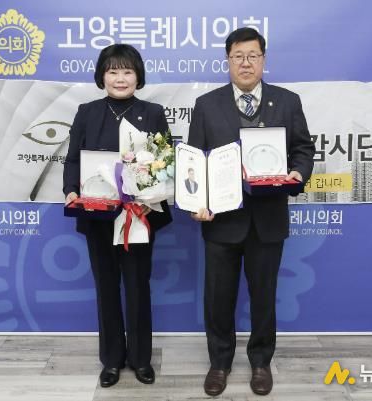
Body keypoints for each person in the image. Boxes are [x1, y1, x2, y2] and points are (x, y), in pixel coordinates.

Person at [187, 27, 315, 396]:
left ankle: (261, 362)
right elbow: (195, 159)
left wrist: (298, 173)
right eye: (238, 56)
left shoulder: (287, 102)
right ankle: (219, 363)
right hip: (221, 220)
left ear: (263, 59)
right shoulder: (207, 105)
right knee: (218, 298)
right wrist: (197, 202)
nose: (246, 63)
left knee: (264, 296)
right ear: (228, 61)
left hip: (267, 219)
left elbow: (303, 149)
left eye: (253, 56)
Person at [63, 44, 172, 388]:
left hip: (138, 214)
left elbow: (164, 161)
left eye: (127, 71)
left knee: (138, 286)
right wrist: (71, 190)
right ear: (102, 76)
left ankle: (141, 359)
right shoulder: (87, 112)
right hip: (96, 213)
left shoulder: (152, 112)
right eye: (113, 71)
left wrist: (150, 194)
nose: (120, 78)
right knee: (106, 286)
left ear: (138, 76)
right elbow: (73, 159)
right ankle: (111, 360)